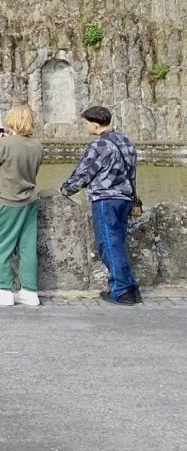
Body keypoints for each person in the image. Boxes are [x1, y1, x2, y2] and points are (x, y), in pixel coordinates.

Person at [61, 105, 142, 306]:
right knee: (118, 243)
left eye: (86, 123)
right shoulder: (126, 142)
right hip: (125, 198)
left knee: (108, 244)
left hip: (106, 199)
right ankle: (131, 288)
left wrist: (65, 190)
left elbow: (83, 174)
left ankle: (121, 290)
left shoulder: (99, 146)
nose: (86, 127)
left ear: (95, 124)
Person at [0, 105, 45, 307]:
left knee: (1, 246)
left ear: (12, 121)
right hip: (29, 202)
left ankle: (4, 291)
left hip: (8, 202)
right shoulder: (37, 147)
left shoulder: (5, 144)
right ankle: (29, 291)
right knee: (27, 247)